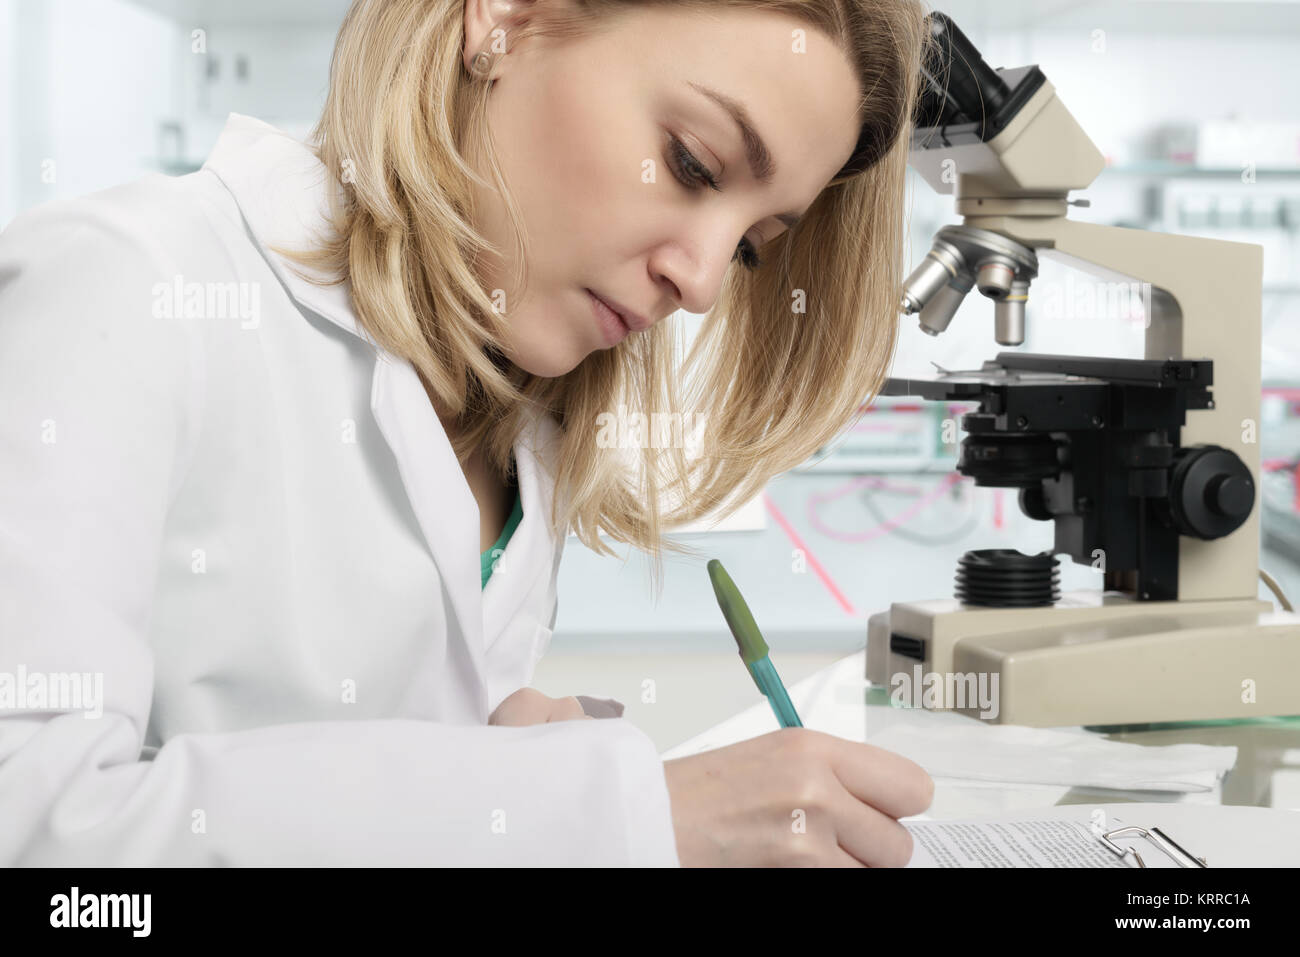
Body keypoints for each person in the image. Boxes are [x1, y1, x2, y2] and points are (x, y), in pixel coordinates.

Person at [0, 0, 934, 867]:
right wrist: (612, 814)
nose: (702, 285)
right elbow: (37, 834)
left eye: (749, 246)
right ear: (504, 18)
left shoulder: (526, 425)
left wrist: (513, 767)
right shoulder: (121, 280)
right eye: (691, 162)